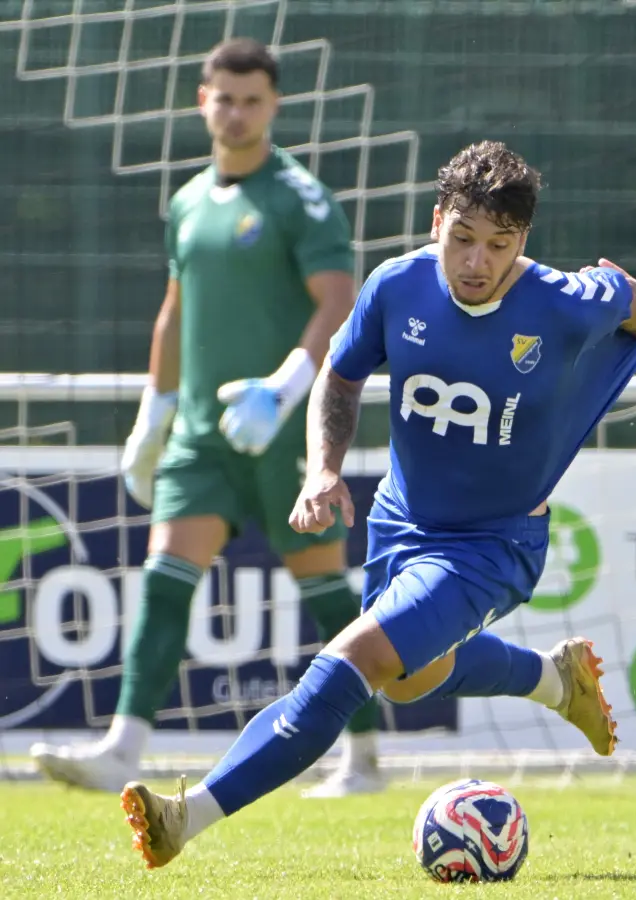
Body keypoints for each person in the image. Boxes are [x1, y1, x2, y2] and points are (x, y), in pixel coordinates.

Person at [115, 139, 636, 869]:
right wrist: (323, 471)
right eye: (462, 238)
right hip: (401, 524)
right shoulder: (396, 286)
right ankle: (555, 679)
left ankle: (189, 814)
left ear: (523, 241)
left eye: (499, 245)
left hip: (491, 544)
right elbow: (340, 378)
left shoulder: (560, 300)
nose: (477, 261)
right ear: (437, 222)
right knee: (408, 679)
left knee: (356, 658)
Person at [30, 37, 383, 799]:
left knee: (325, 590)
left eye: (253, 100)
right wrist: (152, 417)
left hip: (286, 433)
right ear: (203, 101)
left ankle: (363, 757)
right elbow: (175, 309)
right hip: (201, 434)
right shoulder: (189, 201)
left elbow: (339, 302)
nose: (237, 113)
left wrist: (284, 391)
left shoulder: (300, 197)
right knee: (165, 578)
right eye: (225, 99)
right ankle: (123, 750)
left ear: (274, 105)